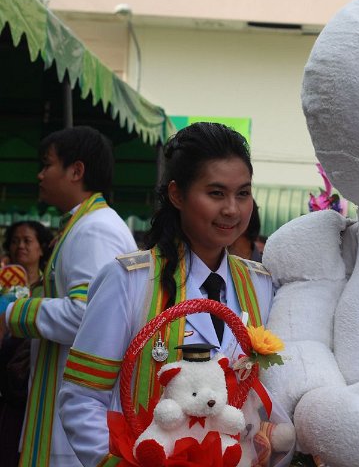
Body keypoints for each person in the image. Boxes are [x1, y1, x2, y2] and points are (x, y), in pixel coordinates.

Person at [58, 122, 284, 466]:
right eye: (216, 193)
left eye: (243, 193)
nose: (232, 209)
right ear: (177, 195)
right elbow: (81, 398)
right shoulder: (129, 280)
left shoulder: (261, 283)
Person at [1, 126, 137, 467]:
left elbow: (84, 314)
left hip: (77, 418)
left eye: (47, 164)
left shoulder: (96, 229)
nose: (40, 174)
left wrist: (13, 312)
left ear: (76, 171)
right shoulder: (87, 223)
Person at [0, 221, 52, 467]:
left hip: (34, 381)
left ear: (41, 248)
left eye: (27, 240)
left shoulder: (50, 289)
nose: (20, 246)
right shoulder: (2, 286)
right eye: (15, 241)